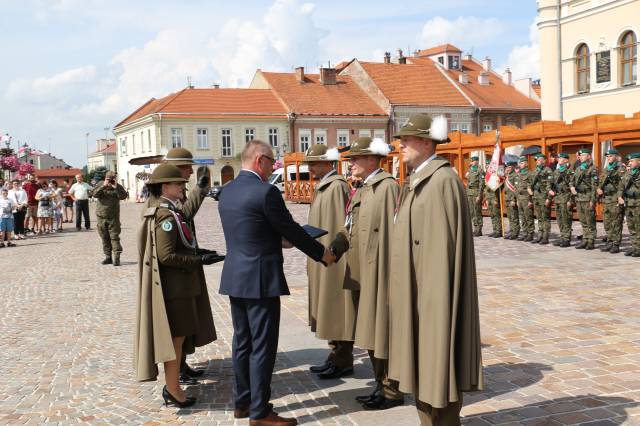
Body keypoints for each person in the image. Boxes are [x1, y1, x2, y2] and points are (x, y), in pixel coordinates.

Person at [218, 140, 334, 426]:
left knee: (242, 343)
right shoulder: (266, 192)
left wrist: (274, 240)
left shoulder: (227, 191)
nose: (274, 168)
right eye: (272, 162)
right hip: (260, 279)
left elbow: (249, 229)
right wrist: (323, 254)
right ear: (260, 160)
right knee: (263, 346)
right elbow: (292, 230)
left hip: (235, 277)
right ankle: (260, 413)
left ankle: (243, 401)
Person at [388, 113, 483, 425]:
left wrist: (432, 304)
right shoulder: (417, 181)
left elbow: (443, 256)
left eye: (407, 139)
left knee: (436, 369)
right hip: (417, 295)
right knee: (422, 371)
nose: (400, 145)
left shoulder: (442, 182)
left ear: (427, 142)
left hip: (433, 299)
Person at [134, 164, 220, 407]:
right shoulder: (164, 215)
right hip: (176, 289)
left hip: (180, 288)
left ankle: (173, 386)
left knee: (179, 339)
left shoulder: (171, 210)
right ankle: (173, 389)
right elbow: (166, 255)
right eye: (179, 184)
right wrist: (198, 260)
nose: (183, 186)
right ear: (165, 187)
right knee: (176, 340)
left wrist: (199, 252)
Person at [330, 136, 403, 410]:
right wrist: (334, 249)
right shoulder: (362, 188)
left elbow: (394, 235)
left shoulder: (387, 188)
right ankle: (379, 383)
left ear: (372, 159)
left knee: (382, 331)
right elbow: (350, 226)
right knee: (370, 332)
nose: (350, 165)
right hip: (361, 273)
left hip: (380, 274)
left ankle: (391, 389)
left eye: (355, 159)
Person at [143, 147, 213, 385]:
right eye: (186, 168)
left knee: (185, 324)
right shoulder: (161, 202)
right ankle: (175, 375)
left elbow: (182, 216)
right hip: (175, 273)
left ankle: (181, 366)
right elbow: (180, 219)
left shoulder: (170, 195)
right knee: (177, 326)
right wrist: (197, 259)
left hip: (184, 266)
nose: (190, 172)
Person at [303, 144, 357, 380]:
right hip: (322, 254)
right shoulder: (326, 186)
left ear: (328, 163)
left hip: (333, 258)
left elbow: (340, 226)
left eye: (314, 163)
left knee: (337, 309)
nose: (310, 168)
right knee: (328, 307)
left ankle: (342, 359)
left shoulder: (336, 187)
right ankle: (335, 355)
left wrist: (333, 254)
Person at [93, 171, 129, 266]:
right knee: (104, 237)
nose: (111, 180)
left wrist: (116, 188)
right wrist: (103, 186)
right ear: (105, 178)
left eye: (112, 178)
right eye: (109, 178)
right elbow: (94, 194)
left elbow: (124, 196)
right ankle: (108, 257)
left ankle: (116, 258)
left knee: (114, 237)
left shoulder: (118, 186)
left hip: (113, 217)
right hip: (101, 216)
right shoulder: (101, 184)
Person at [598, 149, 625, 253]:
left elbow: (623, 185)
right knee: (607, 222)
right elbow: (600, 182)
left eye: (610, 156)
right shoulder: (605, 169)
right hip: (606, 199)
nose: (608, 158)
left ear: (616, 157)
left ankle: (616, 244)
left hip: (615, 199)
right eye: (607, 156)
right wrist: (598, 188)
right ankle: (610, 241)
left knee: (616, 222)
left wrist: (620, 197)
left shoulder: (620, 168)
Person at [571, 149, 599, 250]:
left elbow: (594, 187)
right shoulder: (578, 168)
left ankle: (591, 241)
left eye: (583, 155)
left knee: (590, 220)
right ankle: (585, 239)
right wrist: (572, 187)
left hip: (587, 198)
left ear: (589, 156)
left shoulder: (593, 169)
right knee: (583, 220)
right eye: (580, 155)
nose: (581, 157)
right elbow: (572, 181)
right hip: (579, 198)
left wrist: (592, 200)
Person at [548, 153, 574, 247]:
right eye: (558, 158)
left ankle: (566, 239)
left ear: (566, 160)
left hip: (566, 197)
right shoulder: (557, 171)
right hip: (558, 198)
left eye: (561, 158)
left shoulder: (570, 171)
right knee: (559, 219)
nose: (559, 159)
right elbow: (551, 183)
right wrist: (550, 191)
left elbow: (573, 187)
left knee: (566, 219)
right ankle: (562, 237)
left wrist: (571, 200)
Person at [527, 153, 553, 244]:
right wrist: (529, 190)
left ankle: (545, 236)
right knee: (539, 217)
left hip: (544, 196)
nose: (537, 162)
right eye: (536, 160)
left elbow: (550, 185)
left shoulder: (548, 170)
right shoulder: (535, 171)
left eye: (538, 160)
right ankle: (540, 235)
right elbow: (530, 183)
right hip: (536, 197)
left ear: (544, 160)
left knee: (545, 217)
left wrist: (549, 199)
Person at [620, 153, 640, 257]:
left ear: (639, 161)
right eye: (629, 161)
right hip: (629, 203)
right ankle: (634, 247)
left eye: (632, 161)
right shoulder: (628, 173)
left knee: (638, 227)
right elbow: (621, 186)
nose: (630, 163)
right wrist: (620, 196)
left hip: (638, 204)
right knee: (631, 227)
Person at [515, 157, 534, 241]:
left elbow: (532, 187)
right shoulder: (518, 174)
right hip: (520, 198)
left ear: (526, 164)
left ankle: (530, 234)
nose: (520, 164)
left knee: (528, 216)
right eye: (519, 163)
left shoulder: (530, 174)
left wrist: (531, 200)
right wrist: (517, 200)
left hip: (527, 198)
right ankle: (525, 232)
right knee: (522, 217)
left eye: (522, 163)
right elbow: (516, 188)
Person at [465, 156, 484, 236]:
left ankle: (478, 229)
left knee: (477, 211)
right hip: (469, 193)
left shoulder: (480, 171)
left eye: (474, 161)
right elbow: (468, 181)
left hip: (476, 192)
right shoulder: (470, 170)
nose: (472, 162)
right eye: (472, 161)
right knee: (472, 212)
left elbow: (481, 184)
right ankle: (475, 228)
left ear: (476, 161)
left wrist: (479, 195)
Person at [484, 158, 502, 238]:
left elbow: (496, 189)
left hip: (494, 198)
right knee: (492, 215)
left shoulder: (494, 176)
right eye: (487, 165)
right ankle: (495, 230)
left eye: (489, 165)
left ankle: (499, 231)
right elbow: (485, 189)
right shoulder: (487, 175)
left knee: (496, 214)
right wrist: (486, 199)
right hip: (489, 198)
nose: (488, 167)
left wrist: (495, 199)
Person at [503, 161, 520, 239]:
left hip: (512, 199)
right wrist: (504, 174)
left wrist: (514, 199)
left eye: (509, 167)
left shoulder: (515, 176)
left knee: (514, 216)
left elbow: (515, 189)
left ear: (513, 167)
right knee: (510, 217)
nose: (508, 169)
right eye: (507, 167)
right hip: (507, 198)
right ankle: (512, 231)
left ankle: (515, 232)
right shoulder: (507, 176)